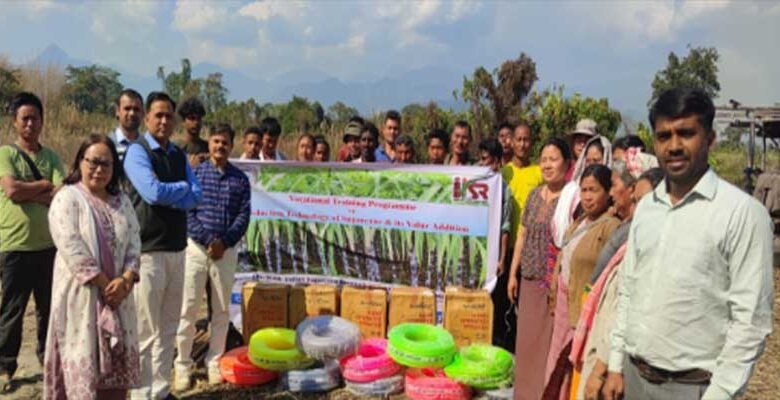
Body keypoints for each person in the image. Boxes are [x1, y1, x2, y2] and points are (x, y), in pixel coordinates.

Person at [603, 88, 774, 400]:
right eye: (664, 136)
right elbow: (629, 290)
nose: (674, 146)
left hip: (694, 388)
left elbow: (750, 323)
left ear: (709, 139)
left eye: (686, 133)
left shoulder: (742, 214)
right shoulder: (648, 208)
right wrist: (616, 363)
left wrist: (719, 394)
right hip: (633, 378)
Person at [44, 134, 141, 400]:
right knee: (82, 379)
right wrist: (105, 284)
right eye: (93, 162)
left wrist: (126, 279)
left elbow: (134, 243)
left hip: (119, 300)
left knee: (114, 385)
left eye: (106, 164)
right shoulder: (67, 198)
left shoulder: (122, 202)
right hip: (82, 301)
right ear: (80, 162)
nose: (99, 169)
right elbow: (71, 247)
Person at [124, 92, 202, 400]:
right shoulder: (137, 152)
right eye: (158, 115)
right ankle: (141, 393)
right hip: (148, 252)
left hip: (177, 249)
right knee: (145, 329)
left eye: (169, 116)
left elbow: (197, 195)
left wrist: (178, 191)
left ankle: (160, 389)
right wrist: (180, 189)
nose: (164, 121)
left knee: (169, 324)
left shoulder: (178, 155)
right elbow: (152, 192)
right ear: (147, 119)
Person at [571, 165, 663, 400]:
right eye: (636, 199)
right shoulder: (633, 237)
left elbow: (622, 315)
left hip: (611, 361)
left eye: (643, 201)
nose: (635, 206)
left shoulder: (651, 251)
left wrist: (601, 370)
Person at [174, 124, 250, 390]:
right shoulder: (194, 174)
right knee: (188, 308)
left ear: (232, 146)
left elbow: (243, 217)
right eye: (216, 141)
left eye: (225, 142)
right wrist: (208, 240)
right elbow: (188, 213)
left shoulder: (240, 180)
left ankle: (214, 361)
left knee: (220, 310)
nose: (220, 147)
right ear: (210, 144)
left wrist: (224, 242)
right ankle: (182, 365)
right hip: (196, 248)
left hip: (225, 252)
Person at [0, 92, 64, 393]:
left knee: (48, 309)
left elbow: (60, 194)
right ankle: (5, 366)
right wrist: (41, 186)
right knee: (12, 309)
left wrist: (33, 192)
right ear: (15, 122)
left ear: (42, 121)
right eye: (24, 118)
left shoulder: (51, 156)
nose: (30, 124)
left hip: (48, 246)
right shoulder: (6, 154)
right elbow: (12, 191)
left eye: (35, 118)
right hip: (14, 246)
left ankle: (48, 360)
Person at [544, 164, 620, 400]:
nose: (587, 197)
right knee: (556, 365)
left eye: (593, 190)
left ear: (608, 192)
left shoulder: (612, 227)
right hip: (565, 305)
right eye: (584, 190)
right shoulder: (581, 221)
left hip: (585, 312)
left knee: (574, 369)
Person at [507, 137, 573, 400]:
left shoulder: (570, 197)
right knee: (525, 346)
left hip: (551, 286)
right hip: (529, 281)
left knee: (547, 347)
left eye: (553, 159)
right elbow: (522, 234)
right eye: (544, 159)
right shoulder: (535, 194)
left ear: (566, 163)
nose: (547, 165)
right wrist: (513, 274)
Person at [478, 138, 515, 351]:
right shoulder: (473, 180)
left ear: (498, 162)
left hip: (491, 255)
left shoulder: (504, 190)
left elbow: (505, 226)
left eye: (487, 161)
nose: (483, 165)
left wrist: (501, 259)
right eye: (481, 160)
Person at [551, 135, 613, 250]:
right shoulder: (571, 189)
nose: (591, 165)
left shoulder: (612, 197)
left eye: (596, 160)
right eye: (588, 161)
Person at [501, 122, 544, 243]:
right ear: (512, 142)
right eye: (518, 139)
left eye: (526, 140)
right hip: (506, 242)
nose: (522, 144)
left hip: (529, 242)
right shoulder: (503, 173)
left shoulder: (539, 173)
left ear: (532, 143)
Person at [111, 89, 144, 161]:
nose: (132, 113)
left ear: (142, 113)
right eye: (127, 108)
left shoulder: (148, 146)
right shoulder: (108, 145)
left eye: (136, 109)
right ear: (117, 111)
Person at [177, 98, 209, 168]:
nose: (196, 122)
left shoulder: (208, 147)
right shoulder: (176, 148)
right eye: (192, 118)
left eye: (199, 118)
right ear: (183, 121)